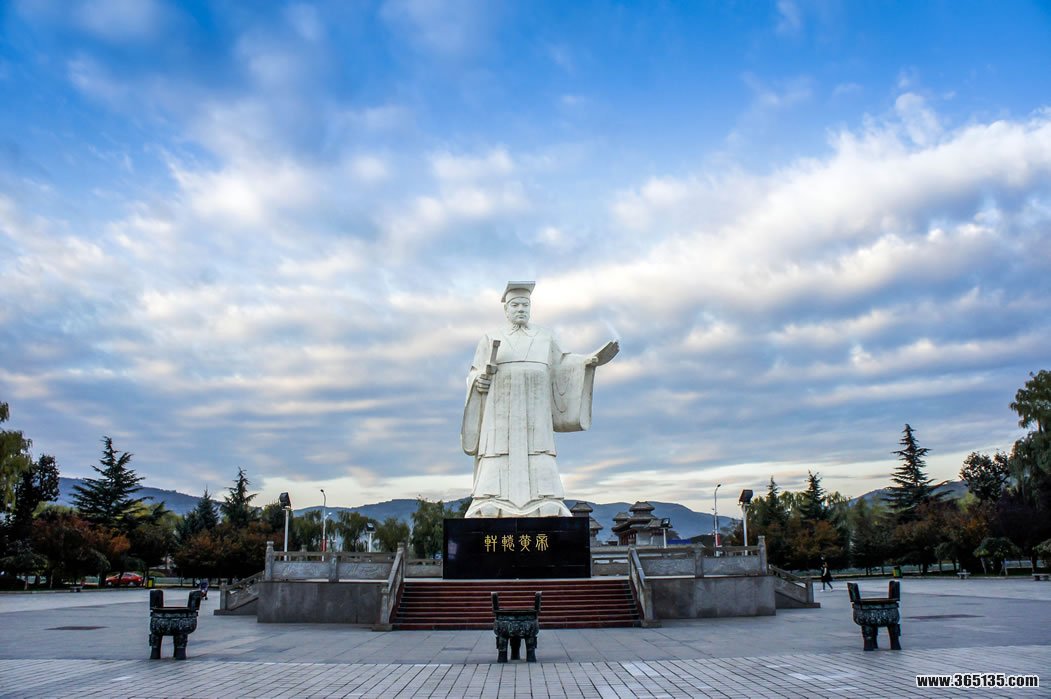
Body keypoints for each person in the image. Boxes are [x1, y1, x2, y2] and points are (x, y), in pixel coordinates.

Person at [461, 281, 618, 518]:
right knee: (496, 449)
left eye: (525, 305)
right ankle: (489, 499)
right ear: (506, 309)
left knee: (539, 448)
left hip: (536, 410)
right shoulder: (490, 338)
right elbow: (474, 373)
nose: (521, 309)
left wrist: (588, 362)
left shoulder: (545, 337)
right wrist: (478, 381)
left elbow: (563, 363)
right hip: (500, 409)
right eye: (515, 305)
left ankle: (546, 499)